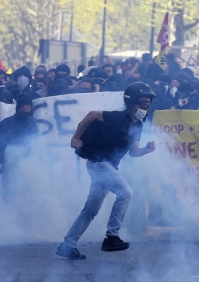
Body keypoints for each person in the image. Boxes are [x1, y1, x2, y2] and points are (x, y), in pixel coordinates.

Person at [56, 82, 157, 260]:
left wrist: (147, 150)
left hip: (106, 168)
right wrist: (76, 136)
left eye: (148, 104)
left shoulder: (138, 126)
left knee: (91, 208)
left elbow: (133, 152)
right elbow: (92, 115)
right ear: (132, 103)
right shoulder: (118, 118)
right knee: (125, 193)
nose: (146, 107)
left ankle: (68, 245)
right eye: (143, 103)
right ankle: (112, 237)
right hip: (99, 164)